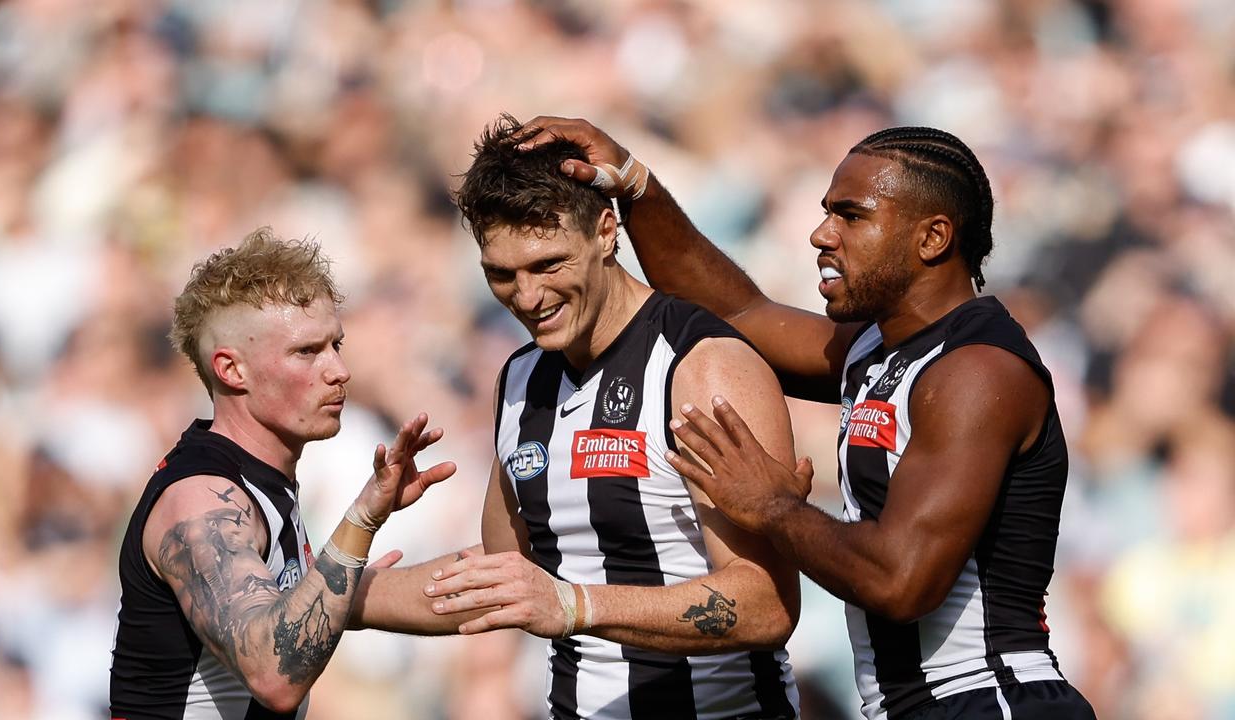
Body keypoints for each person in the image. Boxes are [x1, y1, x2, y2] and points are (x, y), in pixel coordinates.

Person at [517, 118, 1097, 719]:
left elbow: (903, 583)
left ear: (933, 239)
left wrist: (774, 507)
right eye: (828, 213)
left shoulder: (976, 372)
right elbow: (736, 311)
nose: (823, 234)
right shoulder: (877, 350)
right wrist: (637, 184)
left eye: (852, 216)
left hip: (989, 699)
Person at [390, 114, 804, 719]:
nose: (526, 298)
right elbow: (506, 579)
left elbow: (767, 604)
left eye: (548, 264)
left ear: (607, 231)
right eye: (501, 275)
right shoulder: (522, 377)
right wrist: (335, 588)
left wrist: (576, 606)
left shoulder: (698, 365)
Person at [109, 229, 456, 719]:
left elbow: (425, 597)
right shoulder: (203, 499)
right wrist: (361, 519)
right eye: (306, 352)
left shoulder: (265, 484)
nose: (339, 370)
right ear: (232, 370)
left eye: (336, 344)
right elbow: (275, 674)